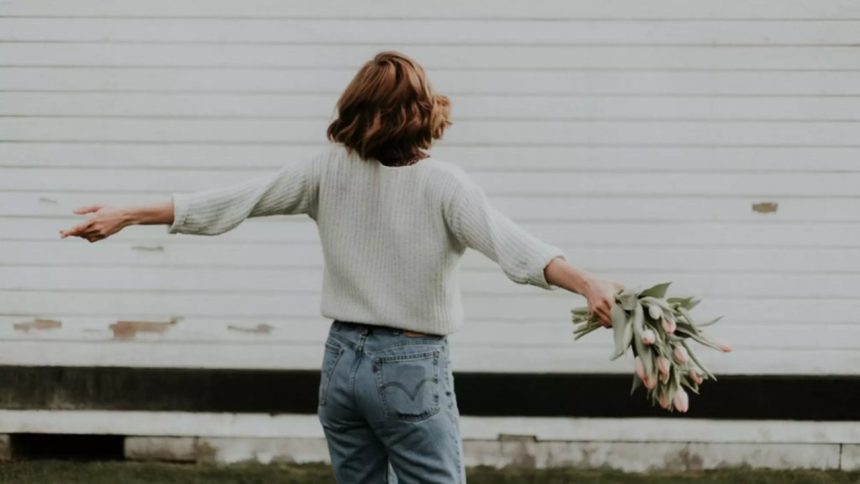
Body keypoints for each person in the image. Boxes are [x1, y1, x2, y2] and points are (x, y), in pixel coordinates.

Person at [59, 51, 623, 483]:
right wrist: (587, 282)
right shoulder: (445, 185)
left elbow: (233, 202)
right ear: (424, 111)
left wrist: (130, 213)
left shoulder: (326, 170)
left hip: (341, 364)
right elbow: (518, 249)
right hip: (409, 366)